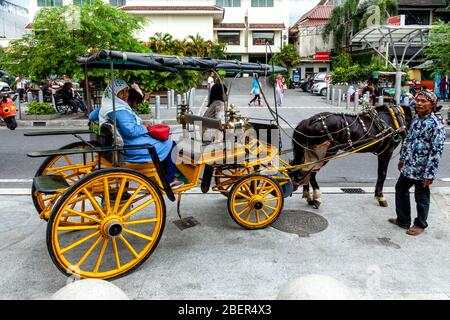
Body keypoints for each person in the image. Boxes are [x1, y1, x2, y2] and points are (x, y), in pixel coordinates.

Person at [89, 80, 183, 188]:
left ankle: (160, 173)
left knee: (162, 141)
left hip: (120, 143)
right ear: (113, 93)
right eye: (121, 92)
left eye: (126, 91)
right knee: (171, 144)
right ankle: (170, 180)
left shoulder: (107, 105)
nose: (125, 95)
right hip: (131, 146)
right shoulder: (119, 109)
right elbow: (131, 131)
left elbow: (92, 117)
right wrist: (145, 127)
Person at [388, 90, 445, 236]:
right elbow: (408, 140)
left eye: (423, 101)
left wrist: (429, 174)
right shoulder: (416, 119)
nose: (418, 103)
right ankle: (403, 219)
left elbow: (436, 151)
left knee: (421, 197)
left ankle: (420, 224)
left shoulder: (436, 124)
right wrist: (402, 159)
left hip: (422, 169)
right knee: (400, 189)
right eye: (417, 100)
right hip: (409, 166)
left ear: (432, 105)